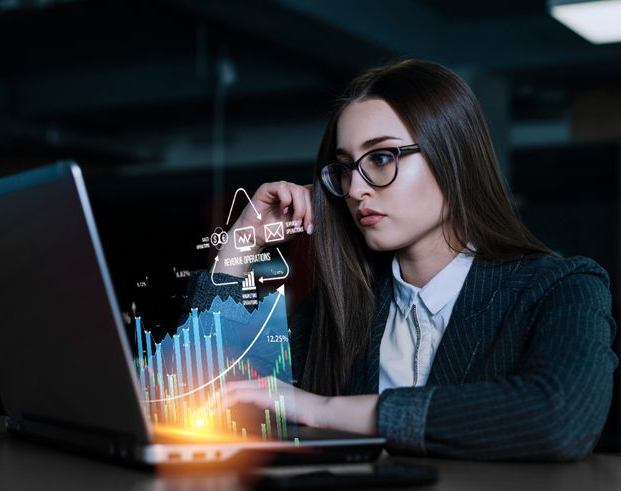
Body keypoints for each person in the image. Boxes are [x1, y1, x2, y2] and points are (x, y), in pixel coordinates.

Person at [187, 59, 617, 461]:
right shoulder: (339, 306)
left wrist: (325, 410)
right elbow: (216, 398)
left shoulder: (561, 287)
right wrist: (242, 243)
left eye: (381, 157)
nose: (356, 190)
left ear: (454, 156)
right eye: (344, 169)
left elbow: (561, 416)